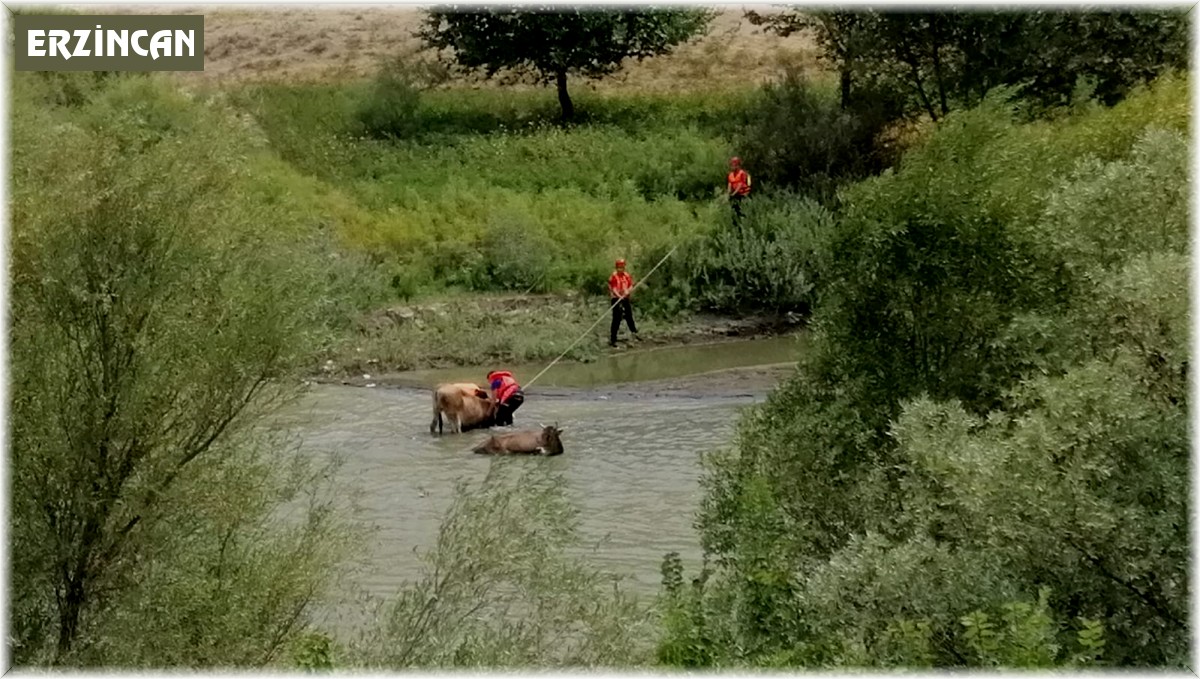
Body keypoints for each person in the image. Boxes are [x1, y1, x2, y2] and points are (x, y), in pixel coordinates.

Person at [608, 258, 639, 348]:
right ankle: (613, 339)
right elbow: (613, 288)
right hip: (616, 299)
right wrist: (618, 296)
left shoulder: (627, 276)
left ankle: (634, 332)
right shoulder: (614, 276)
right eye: (619, 267)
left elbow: (630, 285)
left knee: (629, 316)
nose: (620, 269)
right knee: (616, 319)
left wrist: (628, 291)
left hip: (625, 298)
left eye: (622, 267)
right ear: (616, 267)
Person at [726, 156, 752, 220]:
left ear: (738, 165)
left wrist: (733, 194)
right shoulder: (731, 174)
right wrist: (728, 193)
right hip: (735, 194)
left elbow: (740, 185)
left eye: (734, 165)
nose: (733, 167)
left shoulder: (742, 173)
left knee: (742, 209)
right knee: (734, 209)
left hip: (743, 194)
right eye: (732, 165)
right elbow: (730, 184)